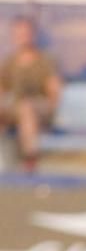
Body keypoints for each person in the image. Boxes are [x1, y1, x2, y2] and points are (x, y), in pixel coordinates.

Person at [0, 17, 63, 172]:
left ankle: (30, 160)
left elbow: (54, 92)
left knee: (26, 108)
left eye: (26, 33)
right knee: (18, 108)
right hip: (15, 109)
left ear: (33, 34)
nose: (22, 37)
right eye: (19, 33)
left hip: (39, 107)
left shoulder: (45, 61)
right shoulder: (10, 61)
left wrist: (51, 113)